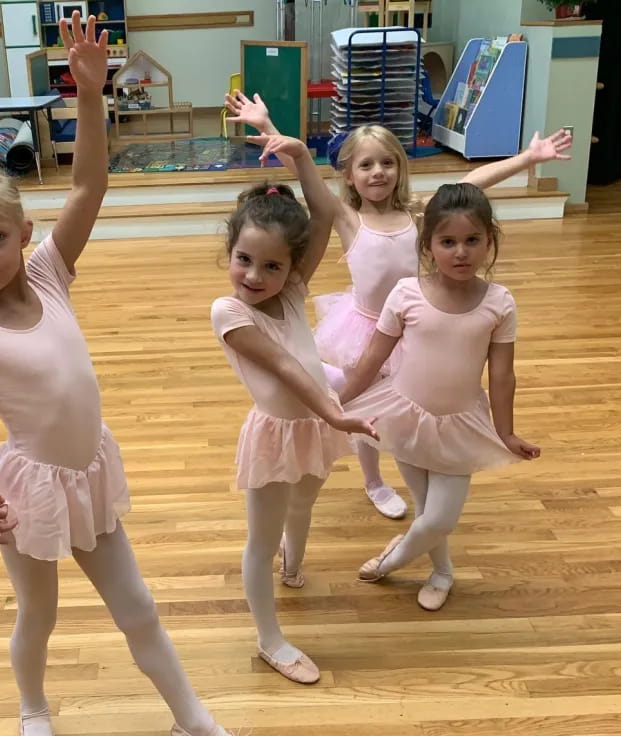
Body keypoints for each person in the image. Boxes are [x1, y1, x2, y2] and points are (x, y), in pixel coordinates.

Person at [0, 13, 232, 736]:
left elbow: (88, 184)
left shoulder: (50, 271)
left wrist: (89, 93)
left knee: (138, 606)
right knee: (39, 615)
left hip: (88, 470)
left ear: (24, 236)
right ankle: (32, 708)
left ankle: (192, 720)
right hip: (30, 489)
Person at [224, 90, 570, 519]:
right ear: (348, 174)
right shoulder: (347, 217)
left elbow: (473, 183)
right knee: (364, 402)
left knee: (406, 401)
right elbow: (307, 176)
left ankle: (418, 465)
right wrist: (268, 128)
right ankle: (373, 479)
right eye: (366, 164)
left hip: (413, 325)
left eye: (387, 162)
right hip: (363, 329)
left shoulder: (421, 214)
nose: (378, 172)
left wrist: (527, 158)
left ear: (400, 168)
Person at [211, 134, 377, 684]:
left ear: (291, 268)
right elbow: (284, 367)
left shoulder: (291, 291)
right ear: (229, 253)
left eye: (271, 267)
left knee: (304, 501)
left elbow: (324, 218)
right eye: (244, 261)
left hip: (313, 423)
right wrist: (334, 413)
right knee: (261, 540)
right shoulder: (229, 312)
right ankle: (269, 640)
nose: (255, 277)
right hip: (278, 430)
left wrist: (303, 157)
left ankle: (296, 565)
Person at [340, 182, 541, 611]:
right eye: (448, 242)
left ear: (490, 241)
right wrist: (339, 406)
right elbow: (373, 358)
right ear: (428, 245)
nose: (461, 252)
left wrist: (505, 433)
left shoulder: (499, 303)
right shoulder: (406, 294)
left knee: (439, 519)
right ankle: (442, 571)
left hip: (461, 424)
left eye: (472, 241)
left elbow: (502, 375)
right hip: (405, 413)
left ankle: (390, 561)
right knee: (426, 509)